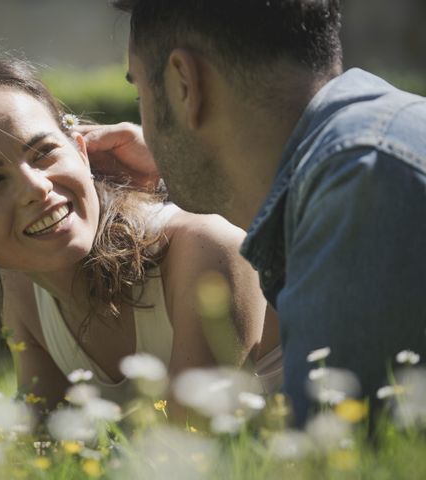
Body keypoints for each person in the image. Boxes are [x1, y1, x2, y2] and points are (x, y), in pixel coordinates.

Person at [81, 0, 426, 424]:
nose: (144, 126)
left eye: (141, 96)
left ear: (183, 83)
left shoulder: (362, 186)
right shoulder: (363, 150)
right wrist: (172, 161)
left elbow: (346, 456)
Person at [0, 58, 281, 420]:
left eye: (43, 152)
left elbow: (189, 443)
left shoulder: (205, 248)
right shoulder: (24, 291)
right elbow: (43, 441)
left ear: (81, 151)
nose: (36, 188)